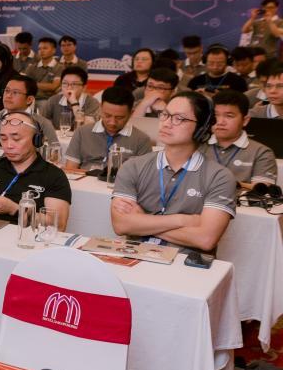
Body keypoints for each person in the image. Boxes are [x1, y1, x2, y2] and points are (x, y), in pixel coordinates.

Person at [111, 92, 236, 253]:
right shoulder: (133, 166)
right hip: (134, 256)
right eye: (165, 115)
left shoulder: (220, 177)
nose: (167, 123)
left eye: (179, 118)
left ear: (201, 128)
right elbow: (121, 225)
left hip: (185, 263)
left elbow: (205, 239)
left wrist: (142, 221)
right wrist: (183, 220)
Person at [0, 111, 72, 225]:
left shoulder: (54, 176)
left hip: (29, 235)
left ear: (36, 140)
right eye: (3, 139)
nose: (9, 145)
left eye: (16, 139)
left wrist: (14, 209)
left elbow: (58, 225)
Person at [63, 86, 153, 171]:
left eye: (119, 118)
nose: (112, 122)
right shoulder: (82, 132)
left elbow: (144, 175)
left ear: (131, 113)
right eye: (107, 115)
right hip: (85, 180)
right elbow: (71, 169)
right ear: (100, 108)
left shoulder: (141, 140)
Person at [204, 90, 277, 187]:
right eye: (215, 115)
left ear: (245, 120)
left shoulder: (261, 152)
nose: (220, 122)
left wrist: (225, 184)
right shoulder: (197, 146)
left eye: (229, 116)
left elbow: (262, 190)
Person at [0, 75, 58, 155]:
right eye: (7, 91)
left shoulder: (43, 123)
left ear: (29, 99)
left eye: (15, 92)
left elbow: (54, 155)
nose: (8, 96)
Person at [38, 65, 100, 130]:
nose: (69, 87)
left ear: (84, 87)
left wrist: (74, 103)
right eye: (65, 83)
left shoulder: (92, 102)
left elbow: (88, 128)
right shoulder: (53, 100)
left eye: (74, 84)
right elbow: (41, 124)